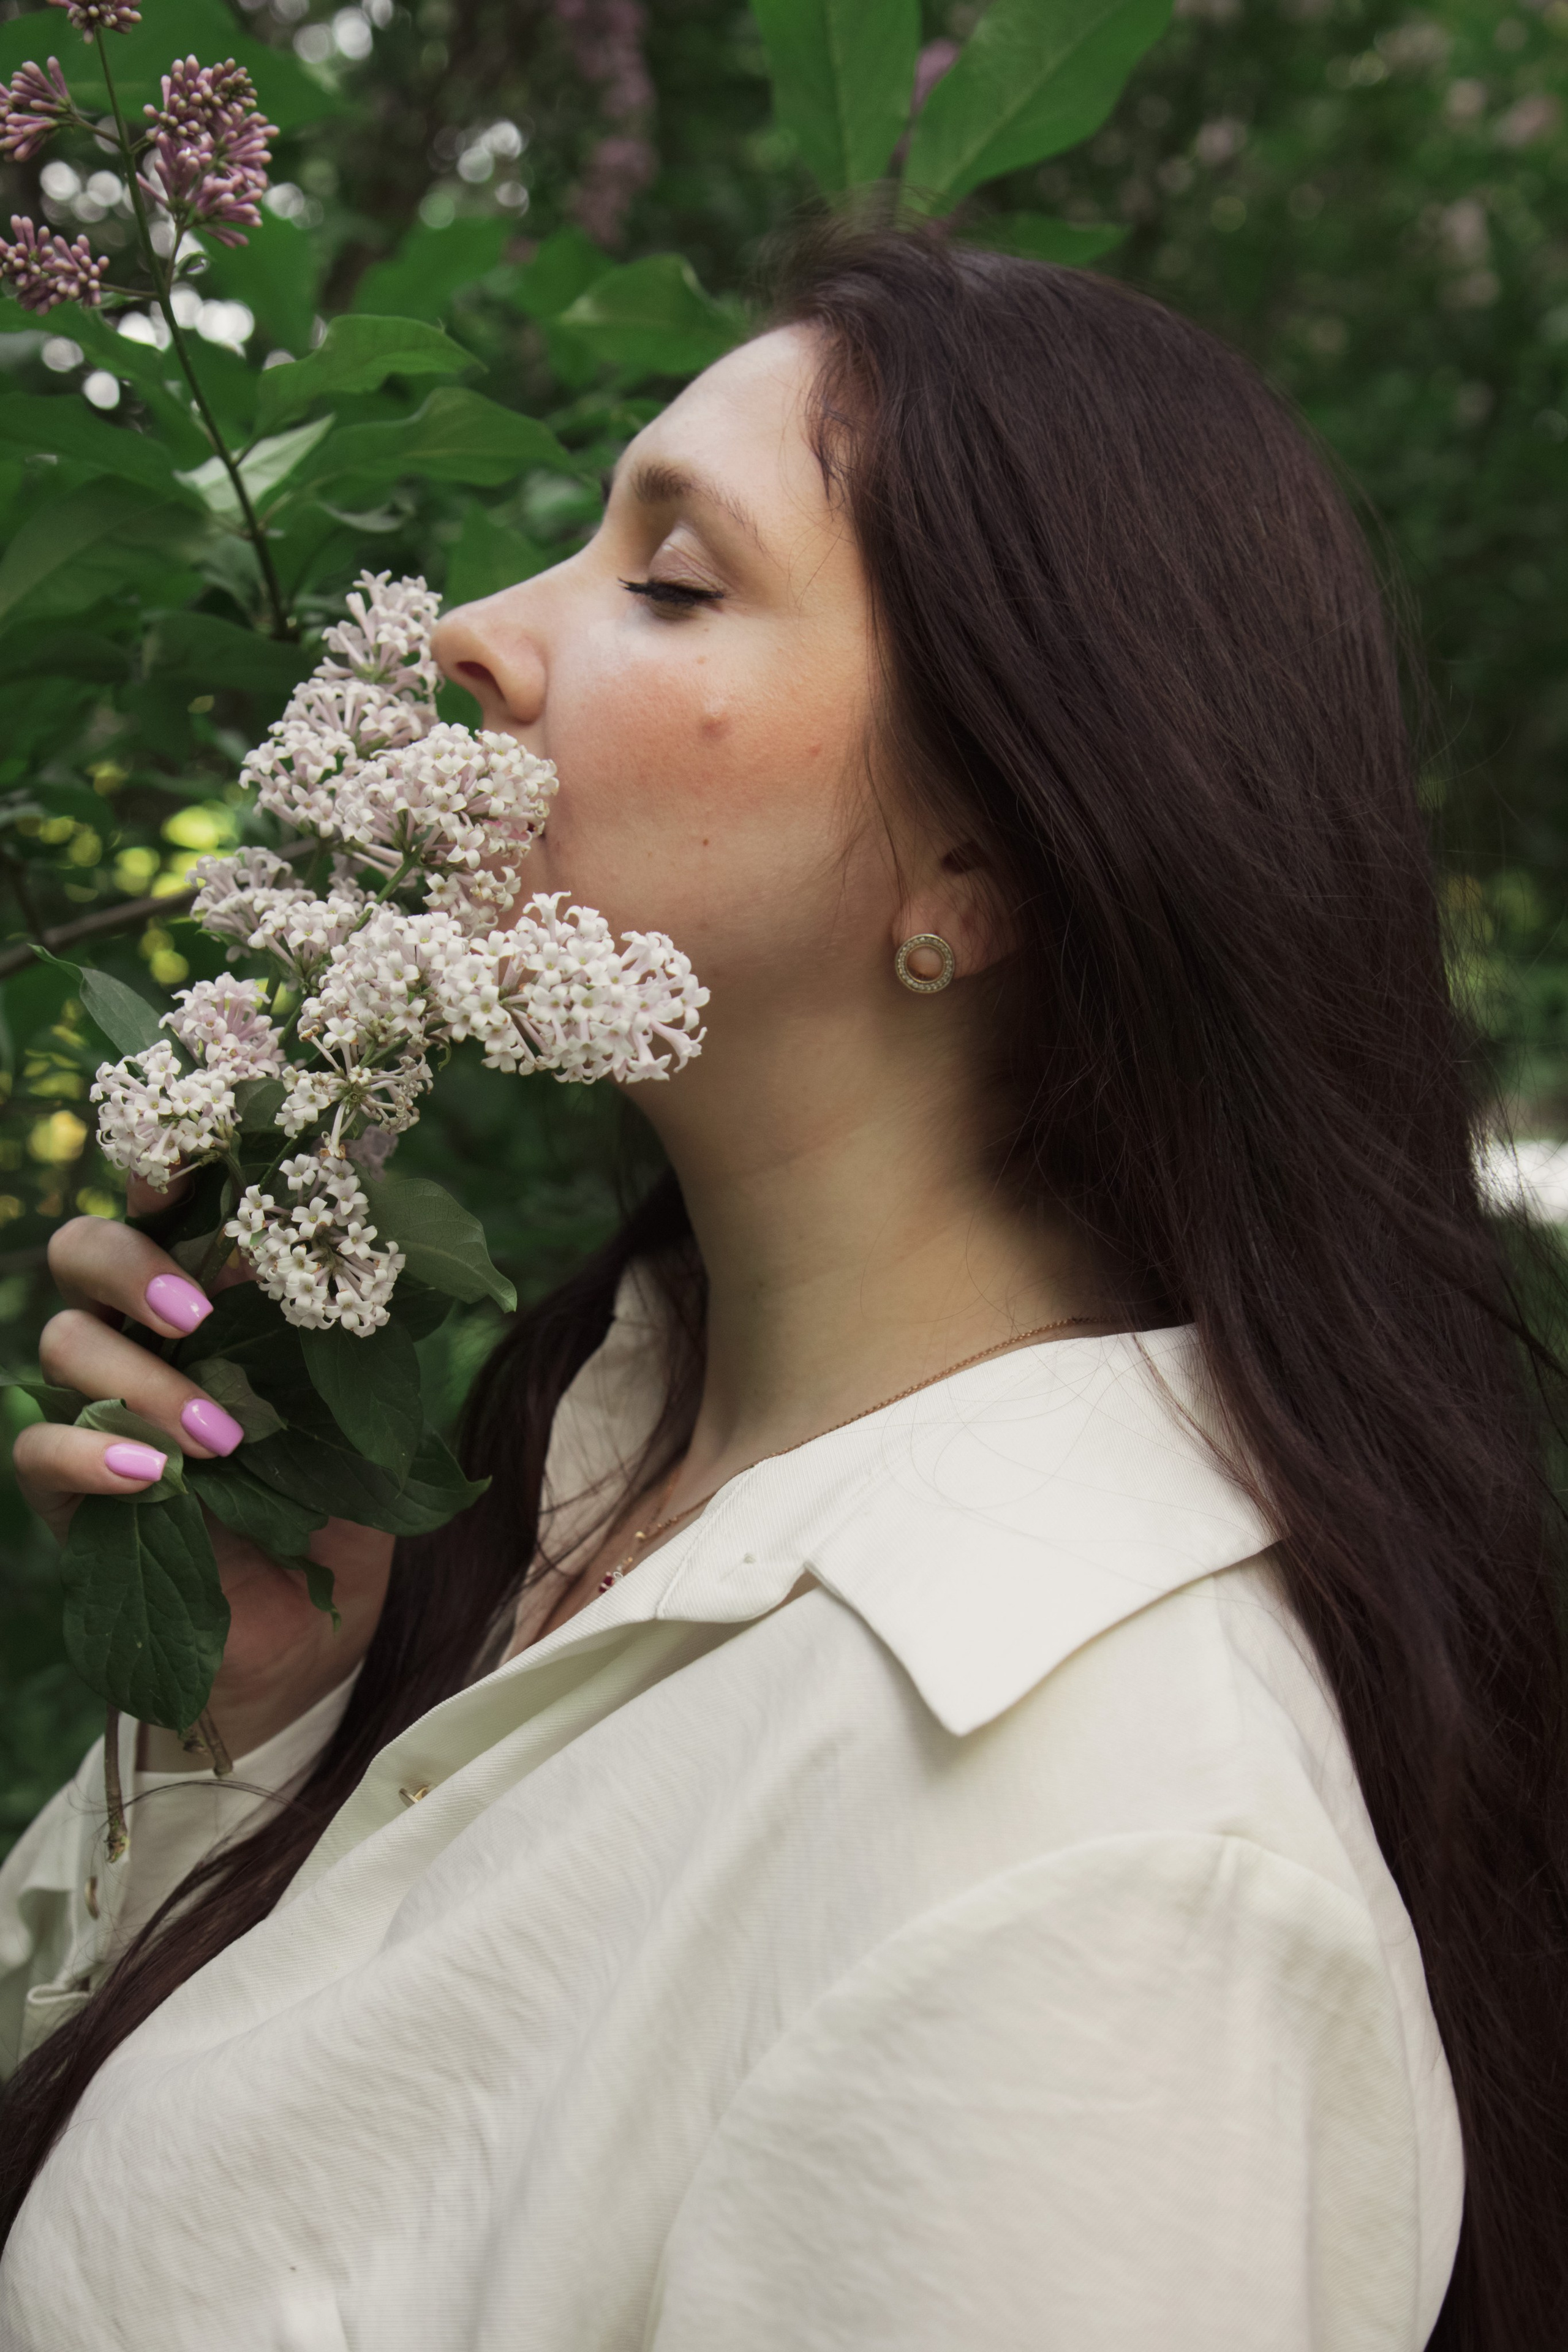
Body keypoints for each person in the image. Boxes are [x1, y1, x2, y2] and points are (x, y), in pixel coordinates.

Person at [0, 224, 1564, 2349]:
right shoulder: (567, 1493)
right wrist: (247, 1741)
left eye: (671, 580)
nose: (473, 636)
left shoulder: (1101, 1864)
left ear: (979, 870)